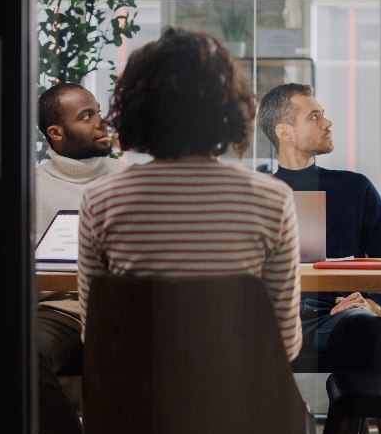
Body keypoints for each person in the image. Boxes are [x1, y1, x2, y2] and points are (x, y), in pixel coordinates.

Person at [76, 27, 303, 362]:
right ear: (228, 108)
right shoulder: (271, 198)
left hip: (138, 407)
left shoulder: (101, 199)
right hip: (236, 407)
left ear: (134, 109)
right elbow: (286, 344)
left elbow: (95, 334)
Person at [257, 83, 381, 373]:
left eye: (322, 114)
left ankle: (346, 421)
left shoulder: (355, 187)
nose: (327, 123)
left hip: (338, 313)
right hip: (272, 317)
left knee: (366, 326)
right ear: (284, 132)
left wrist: (373, 303)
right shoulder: (257, 192)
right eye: (314, 116)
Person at [33, 82, 125, 434]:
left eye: (98, 111)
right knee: (18, 349)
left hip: (125, 308)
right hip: (60, 309)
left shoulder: (129, 179)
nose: (100, 121)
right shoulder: (29, 186)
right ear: (55, 132)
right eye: (85, 116)